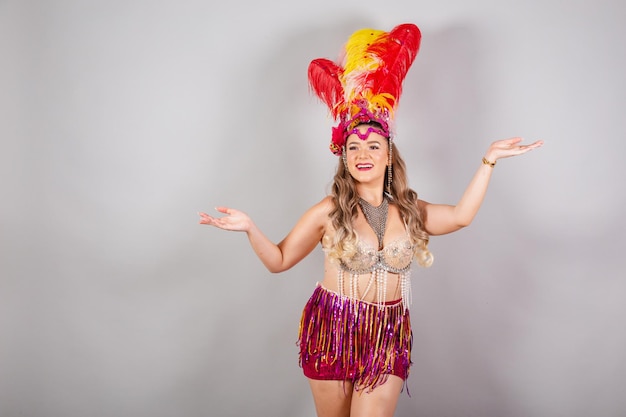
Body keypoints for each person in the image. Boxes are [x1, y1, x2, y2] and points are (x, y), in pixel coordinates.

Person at [199, 23, 542, 417]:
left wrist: (489, 160)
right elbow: (278, 260)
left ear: (388, 154)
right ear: (343, 156)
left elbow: (462, 216)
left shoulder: (410, 209)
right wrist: (249, 228)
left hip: (388, 336)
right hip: (331, 330)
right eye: (354, 146)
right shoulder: (328, 211)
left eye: (373, 145)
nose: (363, 152)